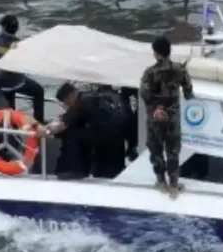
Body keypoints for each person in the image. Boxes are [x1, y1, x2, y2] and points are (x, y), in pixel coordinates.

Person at [139, 36, 194, 197]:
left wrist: (156, 108)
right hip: (173, 117)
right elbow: (189, 91)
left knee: (155, 149)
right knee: (173, 151)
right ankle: (174, 184)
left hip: (155, 117)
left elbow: (145, 94)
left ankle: (161, 181)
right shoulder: (180, 70)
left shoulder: (149, 73)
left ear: (156, 53)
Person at [0, 14, 45, 123]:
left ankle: (10, 125)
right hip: (16, 83)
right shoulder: (21, 45)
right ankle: (39, 124)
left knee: (9, 111)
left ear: (2, 27)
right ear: (16, 29)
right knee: (39, 91)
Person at [46, 83, 129, 180]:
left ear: (70, 96)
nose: (67, 107)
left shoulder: (81, 102)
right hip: (118, 141)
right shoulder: (92, 97)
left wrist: (44, 130)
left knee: (72, 134)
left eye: (66, 103)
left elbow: (61, 126)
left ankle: (72, 171)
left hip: (104, 144)